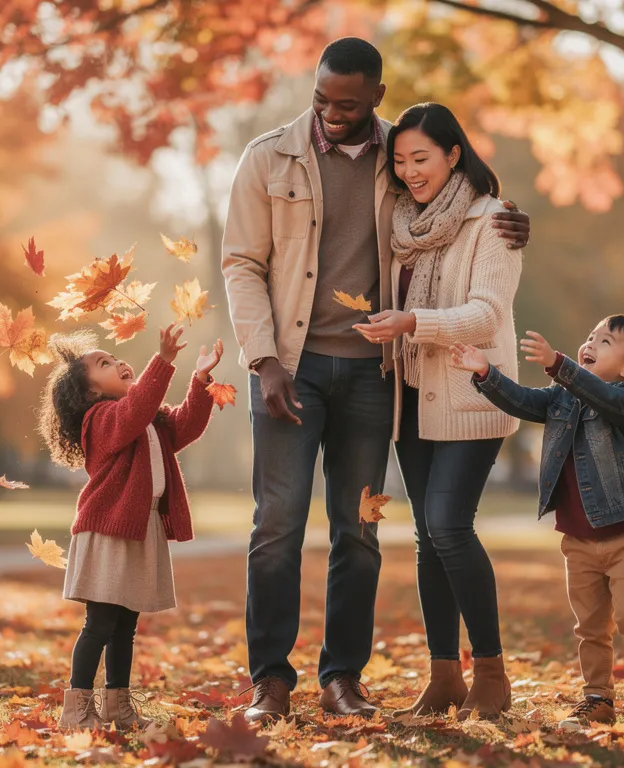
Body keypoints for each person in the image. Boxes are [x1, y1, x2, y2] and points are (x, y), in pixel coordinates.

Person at [220, 37, 530, 723]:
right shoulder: (268, 156)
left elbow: (463, 211)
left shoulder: (404, 155)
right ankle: (270, 682)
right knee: (275, 526)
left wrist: (513, 217)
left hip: (372, 377)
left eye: (348, 104)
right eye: (322, 99)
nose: (332, 113)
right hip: (288, 371)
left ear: (376, 99)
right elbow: (241, 263)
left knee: (357, 532)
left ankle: (343, 679)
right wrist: (263, 359)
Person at [352, 103, 521, 719]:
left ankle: (493, 674)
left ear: (454, 155)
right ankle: (445, 676)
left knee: (450, 525)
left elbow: (484, 314)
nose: (410, 171)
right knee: (429, 539)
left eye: (421, 158)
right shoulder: (400, 225)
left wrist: (413, 322)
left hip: (470, 393)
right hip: (413, 397)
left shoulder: (494, 221)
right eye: (400, 161)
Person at [449, 316, 624, 727]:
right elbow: (522, 401)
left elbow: (601, 396)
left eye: (605, 341)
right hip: (577, 539)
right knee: (589, 626)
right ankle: (597, 698)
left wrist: (558, 365)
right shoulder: (561, 397)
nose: (590, 342)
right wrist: (485, 372)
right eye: (590, 335)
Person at [38, 326, 223, 730]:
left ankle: (117, 707)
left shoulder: (148, 420)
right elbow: (133, 411)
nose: (119, 362)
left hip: (138, 528)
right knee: (100, 623)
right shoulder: (102, 420)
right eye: (104, 364)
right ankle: (77, 709)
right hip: (107, 530)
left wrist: (201, 380)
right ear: (90, 394)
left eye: (115, 357)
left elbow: (185, 425)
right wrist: (163, 362)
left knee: (125, 626)